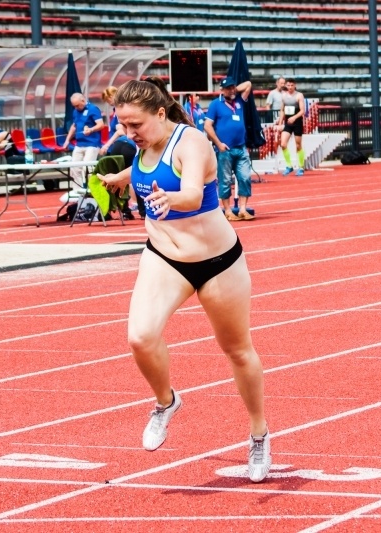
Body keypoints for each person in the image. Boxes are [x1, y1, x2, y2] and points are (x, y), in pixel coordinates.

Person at [98, 77, 271, 483]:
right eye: (122, 126)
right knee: (140, 337)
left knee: (238, 350)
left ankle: (259, 433)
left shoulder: (192, 142)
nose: (129, 134)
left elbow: (192, 193)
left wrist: (170, 198)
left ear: (160, 113)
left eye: (135, 125)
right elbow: (139, 168)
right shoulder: (141, 147)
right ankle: (166, 402)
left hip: (218, 262)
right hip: (164, 258)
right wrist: (117, 180)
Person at [204, 76, 255, 221]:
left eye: (233, 87)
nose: (232, 90)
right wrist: (219, 144)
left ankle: (243, 209)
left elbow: (248, 84)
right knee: (225, 180)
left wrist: (233, 91)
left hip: (241, 147)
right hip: (225, 149)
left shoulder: (239, 101)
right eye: (228, 88)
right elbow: (208, 126)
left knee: (245, 177)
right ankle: (227, 210)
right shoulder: (215, 104)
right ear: (222, 90)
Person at [100, 85, 143, 219]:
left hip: (123, 145)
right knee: (134, 176)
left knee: (131, 176)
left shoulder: (122, 112)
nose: (109, 102)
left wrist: (107, 144)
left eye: (109, 98)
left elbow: (120, 131)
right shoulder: (117, 111)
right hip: (125, 145)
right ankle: (134, 210)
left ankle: (124, 209)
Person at [62, 92, 105, 184]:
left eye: (77, 105)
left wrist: (91, 130)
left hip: (92, 144)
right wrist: (67, 140)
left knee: (87, 168)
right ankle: (77, 190)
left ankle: (90, 189)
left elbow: (101, 125)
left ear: (83, 100)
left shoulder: (93, 109)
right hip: (79, 144)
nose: (76, 108)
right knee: (74, 167)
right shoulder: (75, 111)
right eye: (74, 106)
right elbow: (74, 126)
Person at [277, 78, 307, 176]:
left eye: (291, 85)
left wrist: (294, 117)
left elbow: (303, 110)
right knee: (283, 144)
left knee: (298, 145)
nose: (290, 87)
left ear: (295, 85)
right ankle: (289, 166)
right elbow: (282, 110)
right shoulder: (284, 96)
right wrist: (280, 123)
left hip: (297, 122)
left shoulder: (299, 95)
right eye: (288, 85)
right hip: (288, 123)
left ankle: (301, 167)